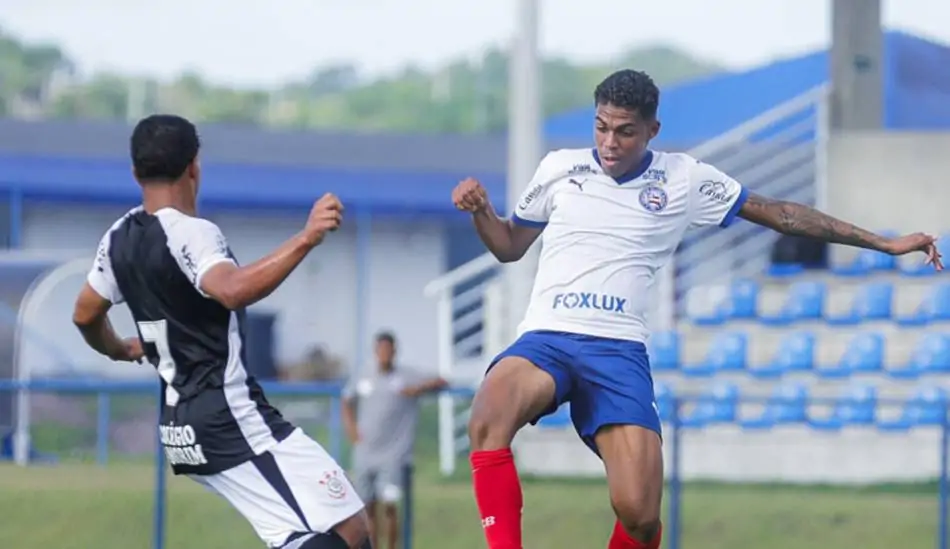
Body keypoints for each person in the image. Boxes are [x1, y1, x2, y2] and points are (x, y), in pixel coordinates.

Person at [451, 69, 943, 549]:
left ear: (652, 131)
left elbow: (783, 215)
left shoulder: (683, 179)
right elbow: (509, 245)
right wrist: (480, 212)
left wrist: (883, 242)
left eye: (625, 132)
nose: (609, 142)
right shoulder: (558, 167)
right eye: (602, 127)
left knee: (641, 517)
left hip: (618, 349)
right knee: (490, 413)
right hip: (549, 336)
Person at [70, 114, 372, 549]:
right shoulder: (191, 232)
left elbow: (84, 314)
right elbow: (231, 289)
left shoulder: (118, 237)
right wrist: (306, 238)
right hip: (229, 416)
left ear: (136, 172)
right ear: (195, 167)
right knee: (347, 528)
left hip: (182, 427)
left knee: (323, 532)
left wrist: (119, 349)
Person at [341, 331, 447, 549]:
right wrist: (352, 430)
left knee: (390, 506)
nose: (384, 354)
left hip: (393, 455)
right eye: (381, 350)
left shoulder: (406, 376)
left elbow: (442, 380)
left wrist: (418, 389)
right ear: (375, 351)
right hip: (366, 453)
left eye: (388, 350)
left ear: (394, 351)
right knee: (367, 507)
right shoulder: (364, 376)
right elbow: (346, 401)